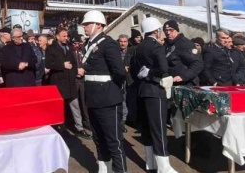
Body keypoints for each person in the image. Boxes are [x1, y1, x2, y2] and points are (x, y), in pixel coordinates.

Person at [81, 10, 127, 173]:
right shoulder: (87, 45)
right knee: (99, 139)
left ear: (98, 25)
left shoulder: (108, 43)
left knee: (114, 142)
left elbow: (120, 72)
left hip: (108, 100)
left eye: (87, 24)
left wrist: (110, 90)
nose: (84, 27)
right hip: (93, 99)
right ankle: (104, 169)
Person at [133, 17, 177, 173]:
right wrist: (151, 72)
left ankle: (150, 163)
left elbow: (134, 70)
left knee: (147, 128)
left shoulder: (138, 48)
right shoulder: (156, 47)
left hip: (142, 90)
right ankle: (164, 167)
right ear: (157, 31)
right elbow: (163, 68)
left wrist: (145, 72)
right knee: (159, 129)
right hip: (155, 90)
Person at [44, 28, 91, 139]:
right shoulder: (51, 48)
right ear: (57, 36)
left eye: (67, 36)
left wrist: (77, 71)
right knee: (60, 108)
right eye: (64, 36)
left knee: (75, 106)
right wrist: (62, 65)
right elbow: (48, 63)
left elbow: (74, 63)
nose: (66, 38)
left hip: (70, 83)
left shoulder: (69, 48)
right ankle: (62, 129)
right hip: (59, 83)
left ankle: (80, 128)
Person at [162, 19, 203, 138]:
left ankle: (192, 142)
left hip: (186, 85)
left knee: (188, 118)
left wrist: (183, 76)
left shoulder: (184, 44)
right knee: (177, 118)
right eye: (166, 30)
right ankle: (181, 140)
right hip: (173, 86)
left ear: (177, 30)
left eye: (171, 30)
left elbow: (198, 63)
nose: (168, 33)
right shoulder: (168, 45)